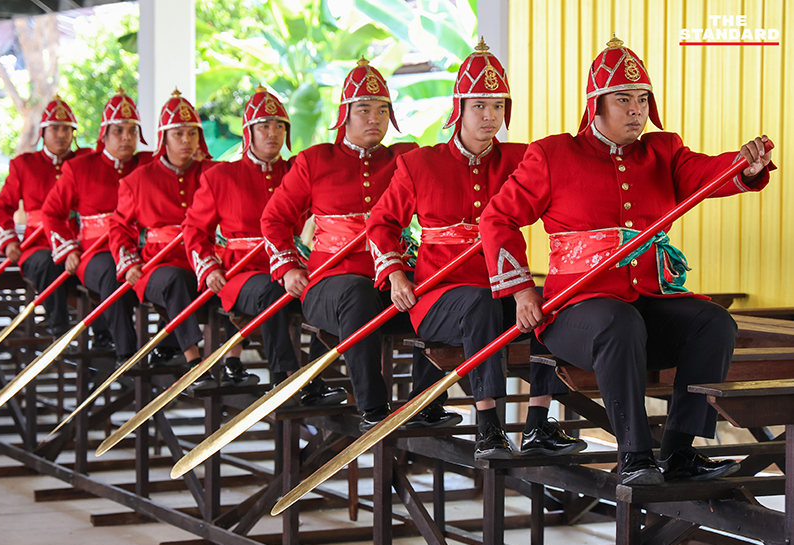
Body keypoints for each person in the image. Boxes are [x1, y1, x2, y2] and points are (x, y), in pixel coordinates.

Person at [480, 35, 774, 483]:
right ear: (596, 104)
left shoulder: (664, 151)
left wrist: (743, 166)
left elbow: (705, 173)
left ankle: (678, 452)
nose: (636, 109)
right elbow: (497, 219)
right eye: (623, 99)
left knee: (714, 323)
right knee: (619, 321)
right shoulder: (553, 154)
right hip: (575, 314)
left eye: (642, 99)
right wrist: (521, 291)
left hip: (646, 304)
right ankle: (634, 456)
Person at [367, 39, 585, 459]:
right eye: (480, 106)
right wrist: (395, 274)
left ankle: (539, 423)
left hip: (504, 290)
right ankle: (488, 427)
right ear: (459, 109)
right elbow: (381, 224)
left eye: (499, 106)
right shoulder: (419, 163)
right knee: (481, 303)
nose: (491, 116)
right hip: (436, 296)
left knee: (551, 304)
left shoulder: (524, 159)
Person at [261, 57, 443, 431]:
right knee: (357, 294)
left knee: (441, 291)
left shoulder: (404, 158)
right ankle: (374, 409)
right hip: (331, 284)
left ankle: (426, 401)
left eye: (382, 110)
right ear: (345, 113)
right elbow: (274, 219)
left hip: (394, 279)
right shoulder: (315, 160)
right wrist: (289, 267)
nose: (374, 118)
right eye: (364, 109)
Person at [183, 85, 345, 402]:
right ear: (248, 132)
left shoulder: (297, 171)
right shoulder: (220, 177)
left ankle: (313, 378)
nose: (273, 133)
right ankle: (282, 377)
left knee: (332, 291)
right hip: (241, 273)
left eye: (279, 126)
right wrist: (209, 267)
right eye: (264, 126)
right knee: (273, 291)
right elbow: (195, 230)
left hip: (293, 265)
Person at [107, 89, 227, 384]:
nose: (186, 140)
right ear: (163, 138)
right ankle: (194, 361)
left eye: (192, 133)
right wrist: (130, 264)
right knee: (175, 280)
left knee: (239, 281)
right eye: (178, 134)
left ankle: (233, 363)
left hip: (207, 259)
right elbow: (119, 228)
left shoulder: (215, 172)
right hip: (157, 266)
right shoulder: (137, 180)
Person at [42, 88, 151, 365]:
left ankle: (172, 351)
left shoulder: (149, 164)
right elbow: (52, 212)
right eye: (118, 131)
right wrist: (68, 250)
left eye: (132, 131)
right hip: (95, 252)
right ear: (104, 134)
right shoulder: (80, 168)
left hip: (144, 249)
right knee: (112, 273)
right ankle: (127, 353)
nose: (127, 137)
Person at [0, 96, 90, 338]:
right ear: (42, 133)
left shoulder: (85, 163)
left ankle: (103, 335)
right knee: (48, 262)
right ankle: (60, 331)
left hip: (80, 243)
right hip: (38, 245)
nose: (61, 134)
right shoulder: (24, 165)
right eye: (55, 128)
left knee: (101, 266)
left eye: (67, 129)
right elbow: (2, 208)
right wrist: (9, 241)